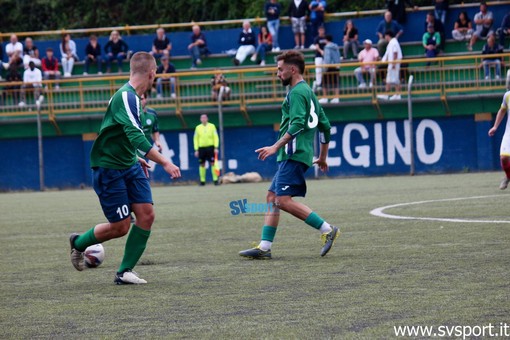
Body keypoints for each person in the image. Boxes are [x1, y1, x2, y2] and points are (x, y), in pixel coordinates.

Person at [69, 52, 181, 285]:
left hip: (128, 163)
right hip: (108, 168)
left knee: (146, 215)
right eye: (156, 73)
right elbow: (137, 137)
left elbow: (122, 135)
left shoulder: (134, 99)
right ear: (151, 73)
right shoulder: (126, 98)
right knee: (121, 227)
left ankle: (124, 272)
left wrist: (134, 157)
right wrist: (166, 162)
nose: (156, 77)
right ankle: (78, 243)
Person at [239, 50, 339, 260]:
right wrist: (322, 157)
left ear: (292, 69)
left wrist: (275, 146)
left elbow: (298, 123)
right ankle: (265, 247)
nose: (277, 74)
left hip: (293, 153)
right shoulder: (308, 92)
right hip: (296, 154)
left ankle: (327, 229)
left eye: (280, 69)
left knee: (282, 200)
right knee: (272, 197)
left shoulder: (296, 93)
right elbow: (326, 127)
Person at [488, 91, 510, 189]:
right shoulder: (507, 95)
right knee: (504, 158)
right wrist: (495, 126)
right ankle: (508, 176)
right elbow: (502, 110)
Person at [193, 114, 219, 186]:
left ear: (207, 119)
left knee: (213, 163)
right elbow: (195, 139)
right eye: (202, 118)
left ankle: (215, 180)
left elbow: (216, 137)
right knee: (202, 164)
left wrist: (216, 147)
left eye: (205, 117)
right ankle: (202, 181)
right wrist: (196, 149)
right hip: (201, 148)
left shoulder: (212, 126)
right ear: (200, 119)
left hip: (210, 147)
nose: (203, 119)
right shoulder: (198, 128)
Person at [378, 30, 403, 101]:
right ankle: (388, 94)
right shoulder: (391, 43)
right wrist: (382, 61)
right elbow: (387, 54)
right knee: (389, 79)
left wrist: (394, 63)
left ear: (387, 36)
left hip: (394, 64)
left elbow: (395, 53)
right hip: (392, 64)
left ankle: (397, 94)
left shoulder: (394, 42)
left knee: (395, 79)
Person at [319, 35, 340, 104]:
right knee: (335, 82)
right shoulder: (336, 47)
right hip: (336, 66)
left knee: (324, 82)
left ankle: (325, 97)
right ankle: (336, 98)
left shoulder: (327, 47)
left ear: (326, 40)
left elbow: (327, 58)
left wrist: (325, 67)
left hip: (329, 67)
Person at [312, 25, 327, 93]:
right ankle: (318, 84)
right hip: (318, 57)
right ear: (318, 31)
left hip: (325, 57)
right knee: (318, 70)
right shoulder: (317, 38)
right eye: (320, 30)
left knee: (324, 70)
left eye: (322, 30)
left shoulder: (326, 38)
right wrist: (321, 51)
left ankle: (322, 83)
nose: (321, 31)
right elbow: (317, 46)